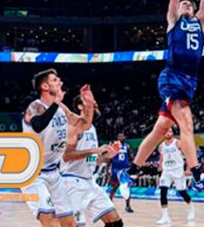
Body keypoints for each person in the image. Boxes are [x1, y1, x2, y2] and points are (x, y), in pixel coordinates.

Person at [124, 0, 204, 193]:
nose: (187, 4)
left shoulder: (200, 22)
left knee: (160, 130)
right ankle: (199, 177)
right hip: (172, 77)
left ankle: (131, 172)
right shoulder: (172, 20)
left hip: (190, 80)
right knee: (187, 124)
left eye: (190, 4)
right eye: (184, 4)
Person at [22, 69, 94, 227]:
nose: (60, 82)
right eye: (55, 80)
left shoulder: (61, 108)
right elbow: (38, 125)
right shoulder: (35, 106)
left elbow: (84, 124)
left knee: (70, 224)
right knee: (50, 221)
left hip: (54, 172)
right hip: (32, 173)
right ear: (45, 86)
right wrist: (55, 103)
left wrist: (89, 105)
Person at [61, 95, 123, 227]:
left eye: (94, 102)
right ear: (80, 106)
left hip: (89, 181)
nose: (94, 104)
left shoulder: (92, 128)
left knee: (115, 222)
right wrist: (94, 150)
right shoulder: (75, 126)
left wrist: (108, 156)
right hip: (72, 182)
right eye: (89, 102)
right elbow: (66, 156)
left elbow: (92, 160)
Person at [156, 127, 195, 225]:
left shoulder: (178, 143)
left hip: (178, 171)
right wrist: (160, 172)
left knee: (182, 192)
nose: (168, 133)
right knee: (163, 192)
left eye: (169, 131)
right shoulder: (161, 146)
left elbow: (188, 155)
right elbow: (161, 159)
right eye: (166, 132)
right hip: (167, 171)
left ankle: (191, 208)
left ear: (172, 133)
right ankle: (165, 216)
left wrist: (188, 169)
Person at [108, 133, 133, 213]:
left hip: (124, 169)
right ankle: (109, 202)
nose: (121, 137)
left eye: (122, 136)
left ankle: (128, 206)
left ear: (124, 137)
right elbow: (109, 159)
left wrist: (131, 167)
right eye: (119, 136)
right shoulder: (114, 146)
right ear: (117, 137)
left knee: (126, 188)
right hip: (115, 169)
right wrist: (107, 170)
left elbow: (131, 157)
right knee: (115, 186)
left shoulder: (127, 146)